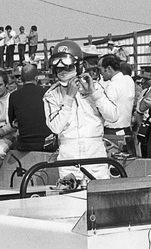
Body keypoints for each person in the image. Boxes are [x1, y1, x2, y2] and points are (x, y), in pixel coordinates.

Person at [43, 40, 119, 183]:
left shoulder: (95, 87)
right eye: (59, 69)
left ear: (78, 66)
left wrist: (94, 94)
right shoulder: (51, 95)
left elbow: (113, 116)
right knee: (70, 199)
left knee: (99, 198)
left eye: (67, 67)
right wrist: (69, 98)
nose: (63, 72)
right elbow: (55, 127)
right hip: (69, 156)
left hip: (95, 154)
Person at [7, 63, 53, 151]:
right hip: (47, 143)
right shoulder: (47, 93)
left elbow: (12, 122)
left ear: (22, 78)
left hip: (24, 144)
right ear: (36, 77)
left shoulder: (14, 96)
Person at [98, 54, 136, 156]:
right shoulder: (129, 80)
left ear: (108, 69)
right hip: (127, 130)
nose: (100, 73)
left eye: (100, 69)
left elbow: (105, 109)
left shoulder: (112, 86)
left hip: (113, 133)